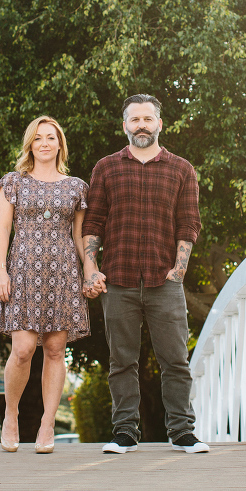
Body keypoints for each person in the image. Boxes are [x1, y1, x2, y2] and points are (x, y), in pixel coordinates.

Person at [81, 94, 210, 454]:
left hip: (164, 281)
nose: (141, 125)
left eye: (147, 119)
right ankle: (125, 432)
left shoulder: (181, 169)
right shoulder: (105, 168)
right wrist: (91, 268)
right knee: (122, 361)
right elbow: (93, 223)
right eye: (134, 119)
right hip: (117, 279)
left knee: (175, 360)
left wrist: (179, 270)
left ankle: (183, 431)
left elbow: (189, 223)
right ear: (124, 125)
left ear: (159, 124)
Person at [0, 116, 95, 454]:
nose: (45, 143)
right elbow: (2, 232)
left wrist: (90, 271)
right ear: (30, 145)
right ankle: (11, 416)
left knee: (54, 350)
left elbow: (80, 237)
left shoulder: (77, 187)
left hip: (63, 274)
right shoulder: (13, 183)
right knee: (22, 350)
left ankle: (47, 424)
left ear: (60, 145)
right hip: (22, 272)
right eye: (38, 138)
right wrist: (0, 271)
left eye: (51, 138)